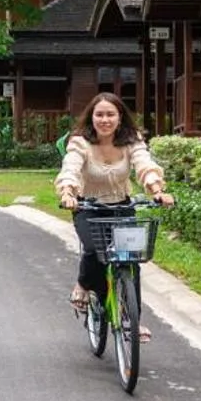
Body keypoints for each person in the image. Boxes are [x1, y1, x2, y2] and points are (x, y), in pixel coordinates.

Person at [54, 92, 173, 317]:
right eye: (99, 115)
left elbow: (144, 164)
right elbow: (70, 167)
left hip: (122, 206)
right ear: (91, 117)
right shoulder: (80, 142)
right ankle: (83, 284)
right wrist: (68, 192)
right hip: (88, 207)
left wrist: (157, 191)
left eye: (111, 114)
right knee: (94, 250)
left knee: (131, 261)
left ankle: (133, 321)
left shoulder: (131, 140)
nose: (105, 120)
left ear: (120, 118)